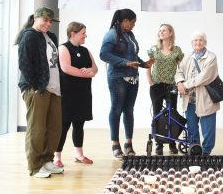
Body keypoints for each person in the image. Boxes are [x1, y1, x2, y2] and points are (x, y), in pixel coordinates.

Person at [16, 7, 63, 178]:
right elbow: (24, 63)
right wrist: (35, 86)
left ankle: (47, 160)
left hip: (54, 88)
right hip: (37, 88)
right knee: (37, 128)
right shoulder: (29, 36)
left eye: (50, 21)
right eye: (45, 20)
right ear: (36, 18)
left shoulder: (51, 37)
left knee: (54, 127)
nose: (48, 24)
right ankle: (35, 166)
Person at [100, 9, 154, 158]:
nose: (134, 25)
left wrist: (144, 64)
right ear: (125, 21)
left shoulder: (129, 35)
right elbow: (104, 54)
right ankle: (115, 145)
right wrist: (125, 63)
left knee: (129, 110)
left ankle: (128, 144)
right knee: (116, 109)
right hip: (118, 78)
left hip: (133, 78)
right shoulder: (111, 34)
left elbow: (133, 55)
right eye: (133, 22)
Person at [53, 22, 98, 168]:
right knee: (64, 125)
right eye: (83, 33)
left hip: (83, 93)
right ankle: (57, 157)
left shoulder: (85, 50)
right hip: (68, 93)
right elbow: (66, 68)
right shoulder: (63, 48)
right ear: (73, 33)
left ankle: (79, 154)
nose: (85, 36)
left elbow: (95, 68)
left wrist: (91, 72)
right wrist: (87, 74)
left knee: (79, 124)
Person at [175, 31, 219, 156]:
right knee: (192, 128)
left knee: (208, 129)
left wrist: (185, 85)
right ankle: (195, 150)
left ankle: (206, 152)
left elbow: (203, 77)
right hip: (190, 100)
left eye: (200, 40)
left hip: (205, 99)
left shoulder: (211, 57)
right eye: (195, 40)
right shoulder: (187, 57)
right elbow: (179, 71)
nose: (197, 42)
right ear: (191, 43)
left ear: (205, 42)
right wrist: (179, 83)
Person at [147, 24, 184, 155]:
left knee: (171, 114)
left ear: (170, 33)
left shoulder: (176, 50)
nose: (161, 32)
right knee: (157, 113)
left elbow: (181, 67)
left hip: (171, 86)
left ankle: (172, 142)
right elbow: (148, 65)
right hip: (156, 86)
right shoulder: (154, 49)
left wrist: (181, 82)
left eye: (164, 30)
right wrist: (150, 81)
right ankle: (159, 144)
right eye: (160, 30)